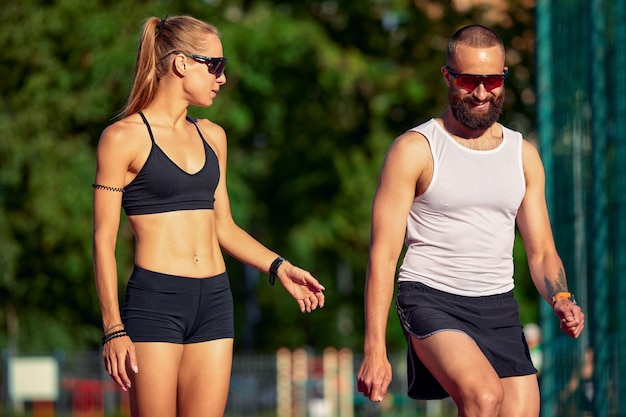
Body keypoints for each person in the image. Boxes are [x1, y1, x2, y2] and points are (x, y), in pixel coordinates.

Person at [92, 15, 325, 417]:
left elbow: (225, 228)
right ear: (182, 64)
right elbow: (102, 239)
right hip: (155, 302)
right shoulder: (122, 138)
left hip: (215, 301)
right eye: (215, 65)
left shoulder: (213, 136)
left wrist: (280, 267)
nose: (222, 77)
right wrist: (113, 327)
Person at [356, 24, 584, 417]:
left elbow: (542, 250)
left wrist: (561, 297)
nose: (481, 93)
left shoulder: (522, 154)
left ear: (503, 79)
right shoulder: (416, 149)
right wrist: (374, 348)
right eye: (468, 80)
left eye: (492, 80)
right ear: (448, 76)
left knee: (521, 410)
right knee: (483, 397)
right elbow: (382, 255)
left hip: (498, 305)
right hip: (430, 297)